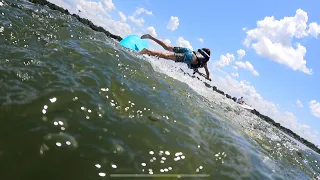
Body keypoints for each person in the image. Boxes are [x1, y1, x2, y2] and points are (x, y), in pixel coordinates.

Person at [138, 34, 211, 81]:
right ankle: (147, 51)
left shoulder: (198, 54)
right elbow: (207, 72)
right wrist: (207, 77)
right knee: (166, 56)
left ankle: (151, 37)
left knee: (167, 47)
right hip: (189, 57)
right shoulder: (205, 62)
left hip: (188, 51)